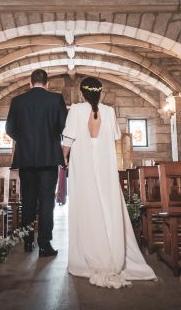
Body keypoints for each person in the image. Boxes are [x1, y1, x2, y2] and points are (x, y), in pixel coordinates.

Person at [62, 77, 157, 288]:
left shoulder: (76, 110)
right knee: (107, 206)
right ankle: (111, 249)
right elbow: (114, 137)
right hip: (104, 167)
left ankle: (88, 255)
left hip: (83, 166)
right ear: (100, 92)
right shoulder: (108, 111)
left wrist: (64, 160)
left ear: (82, 93)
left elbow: (67, 141)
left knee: (86, 206)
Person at [6, 69, 68, 257]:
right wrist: (51, 137)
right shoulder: (56, 99)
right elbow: (63, 126)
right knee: (47, 201)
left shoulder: (18, 101)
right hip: (49, 157)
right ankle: (44, 244)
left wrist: (24, 140)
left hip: (26, 158)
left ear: (30, 83)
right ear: (47, 84)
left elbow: (9, 129)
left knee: (28, 200)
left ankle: (27, 241)